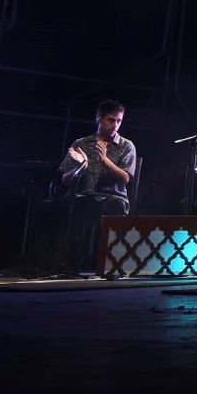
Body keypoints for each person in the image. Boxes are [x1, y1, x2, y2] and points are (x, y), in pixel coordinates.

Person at [54, 100, 137, 274]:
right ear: (99, 119)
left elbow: (125, 178)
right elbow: (65, 180)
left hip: (111, 197)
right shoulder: (81, 144)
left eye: (119, 121)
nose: (115, 125)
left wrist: (105, 160)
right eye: (110, 120)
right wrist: (80, 166)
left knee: (114, 207)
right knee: (45, 208)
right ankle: (47, 263)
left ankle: (106, 265)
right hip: (82, 196)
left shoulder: (126, 146)